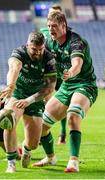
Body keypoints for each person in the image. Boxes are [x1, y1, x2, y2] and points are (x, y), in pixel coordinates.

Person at [33, 11, 98, 173]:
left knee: (73, 116)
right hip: (66, 87)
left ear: (64, 25)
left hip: (84, 84)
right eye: (49, 26)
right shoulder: (49, 41)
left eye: (54, 26)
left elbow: (77, 64)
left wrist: (70, 72)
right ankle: (50, 157)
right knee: (41, 126)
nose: (51, 29)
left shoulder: (76, 42)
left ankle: (73, 161)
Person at [0, 31, 56, 173]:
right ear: (27, 45)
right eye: (34, 49)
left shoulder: (49, 59)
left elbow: (50, 88)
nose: (37, 53)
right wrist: (11, 86)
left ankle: (26, 149)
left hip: (35, 98)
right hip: (18, 94)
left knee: (34, 143)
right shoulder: (19, 52)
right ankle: (11, 162)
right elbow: (14, 68)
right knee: (8, 118)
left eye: (40, 49)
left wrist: (29, 100)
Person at [40, 4, 67, 144]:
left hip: (62, 73)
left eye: (56, 14)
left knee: (63, 102)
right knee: (44, 100)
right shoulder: (43, 31)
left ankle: (62, 133)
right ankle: (42, 132)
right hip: (49, 72)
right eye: (51, 14)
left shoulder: (66, 33)